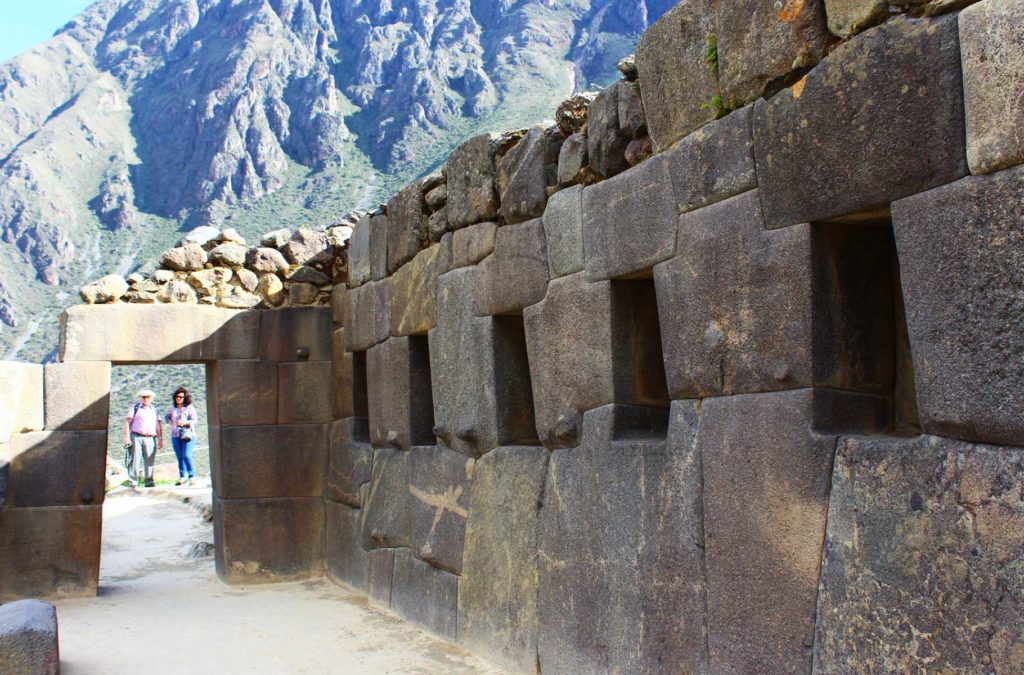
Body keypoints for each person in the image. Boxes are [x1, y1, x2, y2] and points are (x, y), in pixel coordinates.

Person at [123, 389, 162, 488]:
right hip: (136, 436)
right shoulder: (135, 408)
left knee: (150, 460)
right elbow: (128, 422)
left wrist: (160, 439)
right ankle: (133, 482)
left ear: (151, 398)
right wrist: (127, 437)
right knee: (135, 459)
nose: (145, 399)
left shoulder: (155, 410)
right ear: (140, 398)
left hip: (150, 438)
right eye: (143, 397)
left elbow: (158, 425)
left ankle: (149, 482)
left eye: (148, 397)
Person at [165, 386, 198, 486]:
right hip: (175, 435)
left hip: (188, 435)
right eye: (176, 396)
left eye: (180, 397)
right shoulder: (173, 409)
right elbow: (166, 417)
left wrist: (184, 423)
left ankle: (192, 476)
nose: (178, 398)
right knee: (180, 456)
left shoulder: (189, 408)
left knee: (187, 455)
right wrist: (171, 423)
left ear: (185, 398)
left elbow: (195, 420)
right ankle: (182, 476)